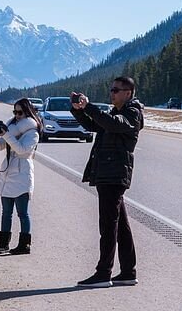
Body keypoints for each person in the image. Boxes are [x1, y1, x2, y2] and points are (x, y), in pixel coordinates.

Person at [70, 76, 144, 288]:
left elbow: (113, 124)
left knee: (108, 225)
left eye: (116, 90)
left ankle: (104, 273)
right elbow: (95, 125)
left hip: (114, 174)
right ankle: (129, 272)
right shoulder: (116, 112)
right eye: (111, 90)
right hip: (108, 172)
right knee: (120, 226)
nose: (111, 93)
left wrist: (90, 106)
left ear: (128, 93)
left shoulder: (132, 113)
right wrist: (78, 109)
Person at [0, 98, 42, 255]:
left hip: (22, 174)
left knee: (23, 213)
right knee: (6, 212)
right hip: (8, 173)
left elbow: (21, 150)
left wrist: (6, 135)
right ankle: (3, 244)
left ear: (28, 112)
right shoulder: (12, 129)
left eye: (20, 112)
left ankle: (24, 245)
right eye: (15, 112)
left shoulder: (32, 133)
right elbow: (0, 146)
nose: (17, 115)